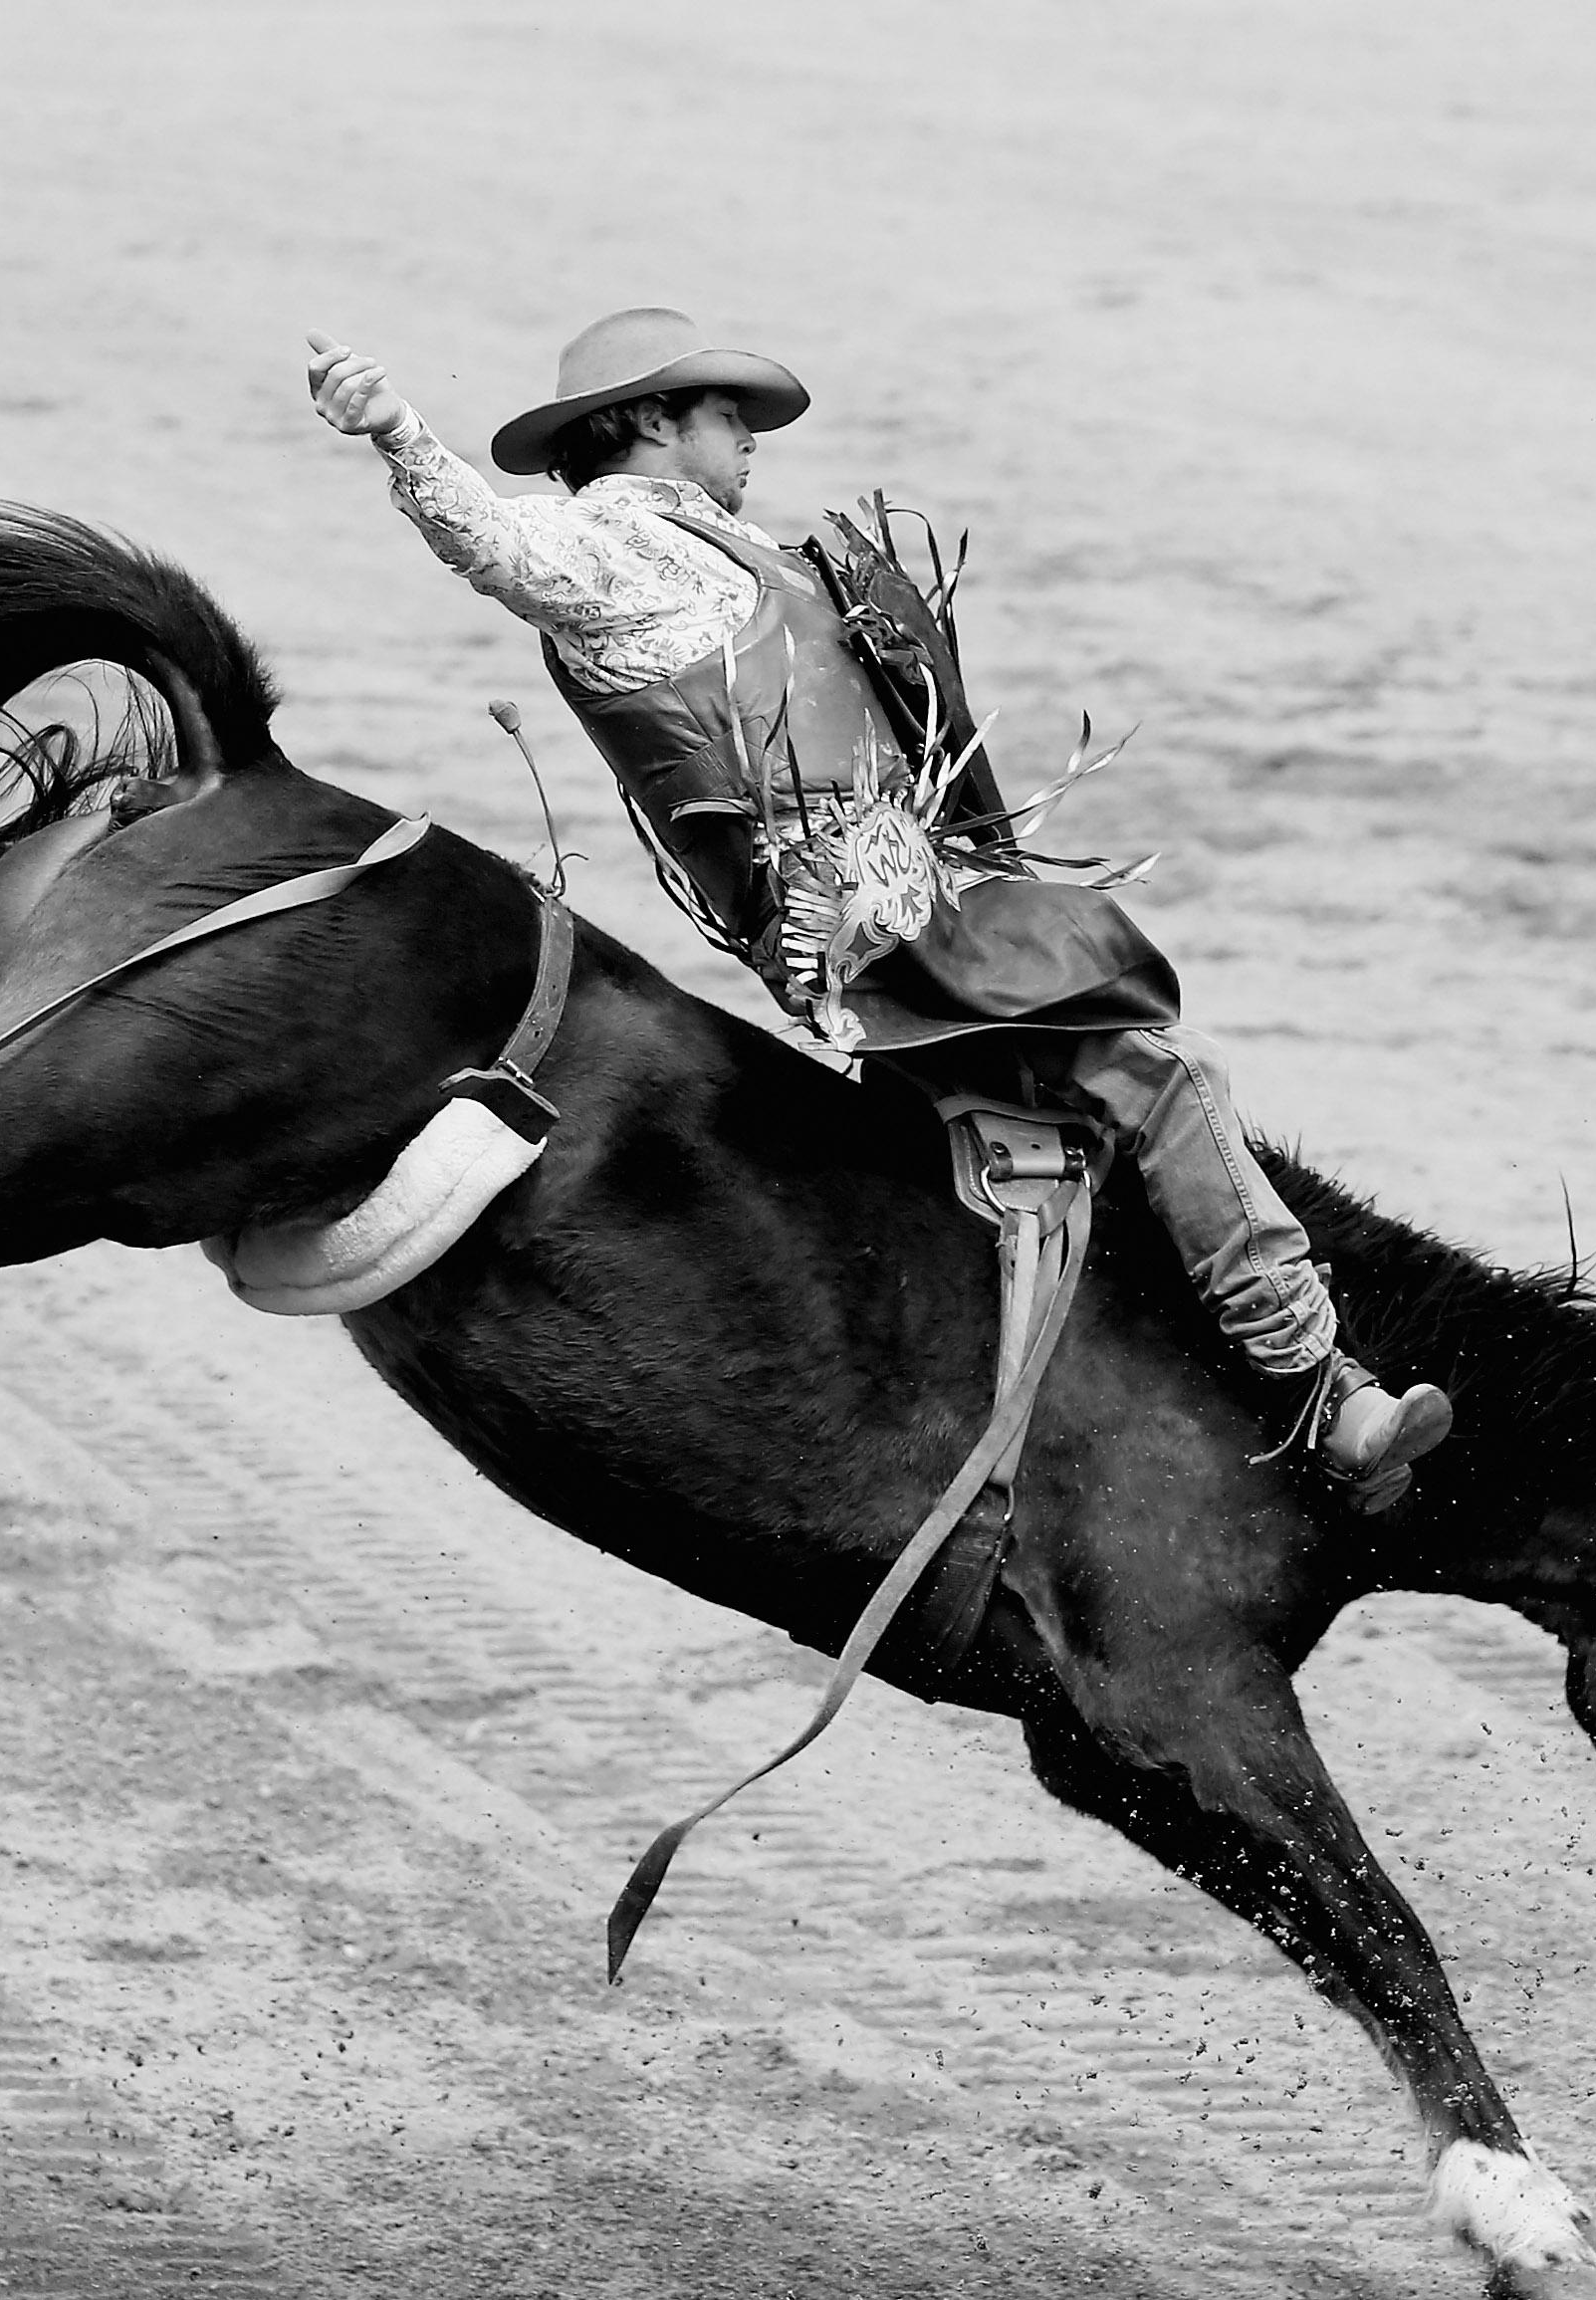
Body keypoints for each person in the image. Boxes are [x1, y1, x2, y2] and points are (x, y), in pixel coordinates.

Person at [304, 309, 1454, 1493]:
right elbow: (494, 547)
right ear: (650, 420)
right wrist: (397, 434)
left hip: (914, 902)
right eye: (722, 411)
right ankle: (1317, 1388)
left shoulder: (738, 555)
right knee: (1164, 1077)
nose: (747, 436)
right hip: (875, 927)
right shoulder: (615, 553)